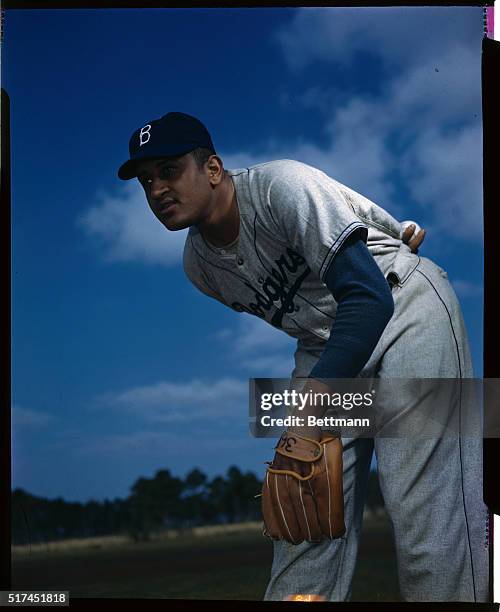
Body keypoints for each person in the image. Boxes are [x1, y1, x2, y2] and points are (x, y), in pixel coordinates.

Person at [117, 111, 489, 602]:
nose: (157, 190)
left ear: (212, 168)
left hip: (405, 310)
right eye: (146, 181)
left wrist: (310, 405)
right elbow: (316, 317)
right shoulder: (199, 266)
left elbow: (367, 296)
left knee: (427, 526)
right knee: (303, 529)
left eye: (168, 171)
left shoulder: (280, 186)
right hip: (329, 346)